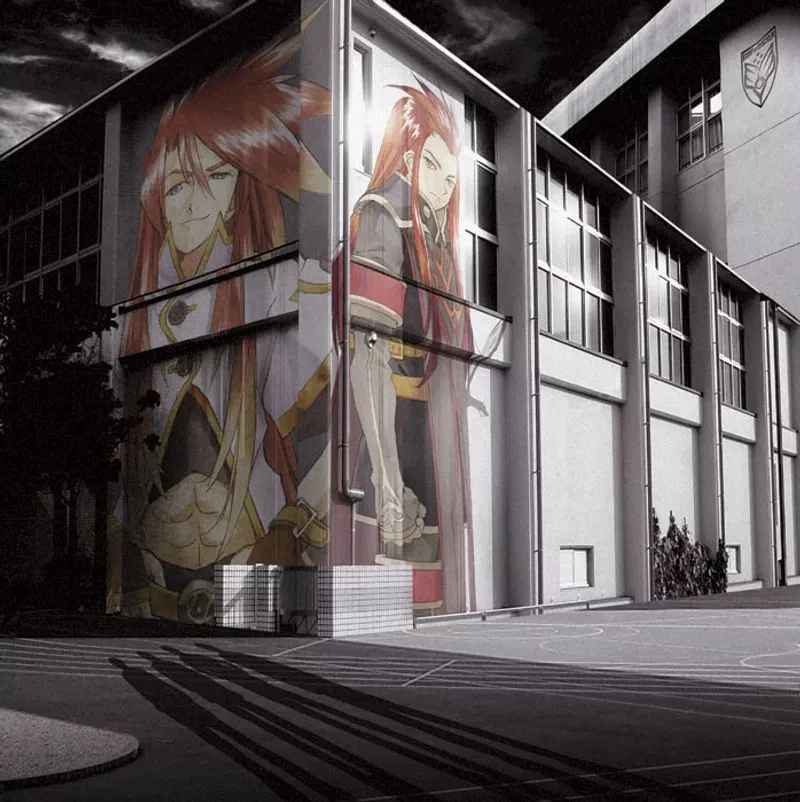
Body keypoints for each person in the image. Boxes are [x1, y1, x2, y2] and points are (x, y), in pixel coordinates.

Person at [117, 25, 330, 623]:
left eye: (218, 177)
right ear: (155, 196)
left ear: (238, 193)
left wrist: (298, 519)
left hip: (251, 544)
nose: (195, 203)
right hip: (155, 568)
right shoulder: (136, 319)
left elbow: (338, 427)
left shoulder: (274, 288)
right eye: (178, 184)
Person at [343, 81, 476, 614]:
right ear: (409, 156)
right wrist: (388, 479)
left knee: (428, 601)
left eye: (452, 176)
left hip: (428, 436)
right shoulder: (384, 211)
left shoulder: (434, 231)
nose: (443, 186)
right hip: (394, 434)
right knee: (392, 598)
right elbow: (368, 350)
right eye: (433, 166)